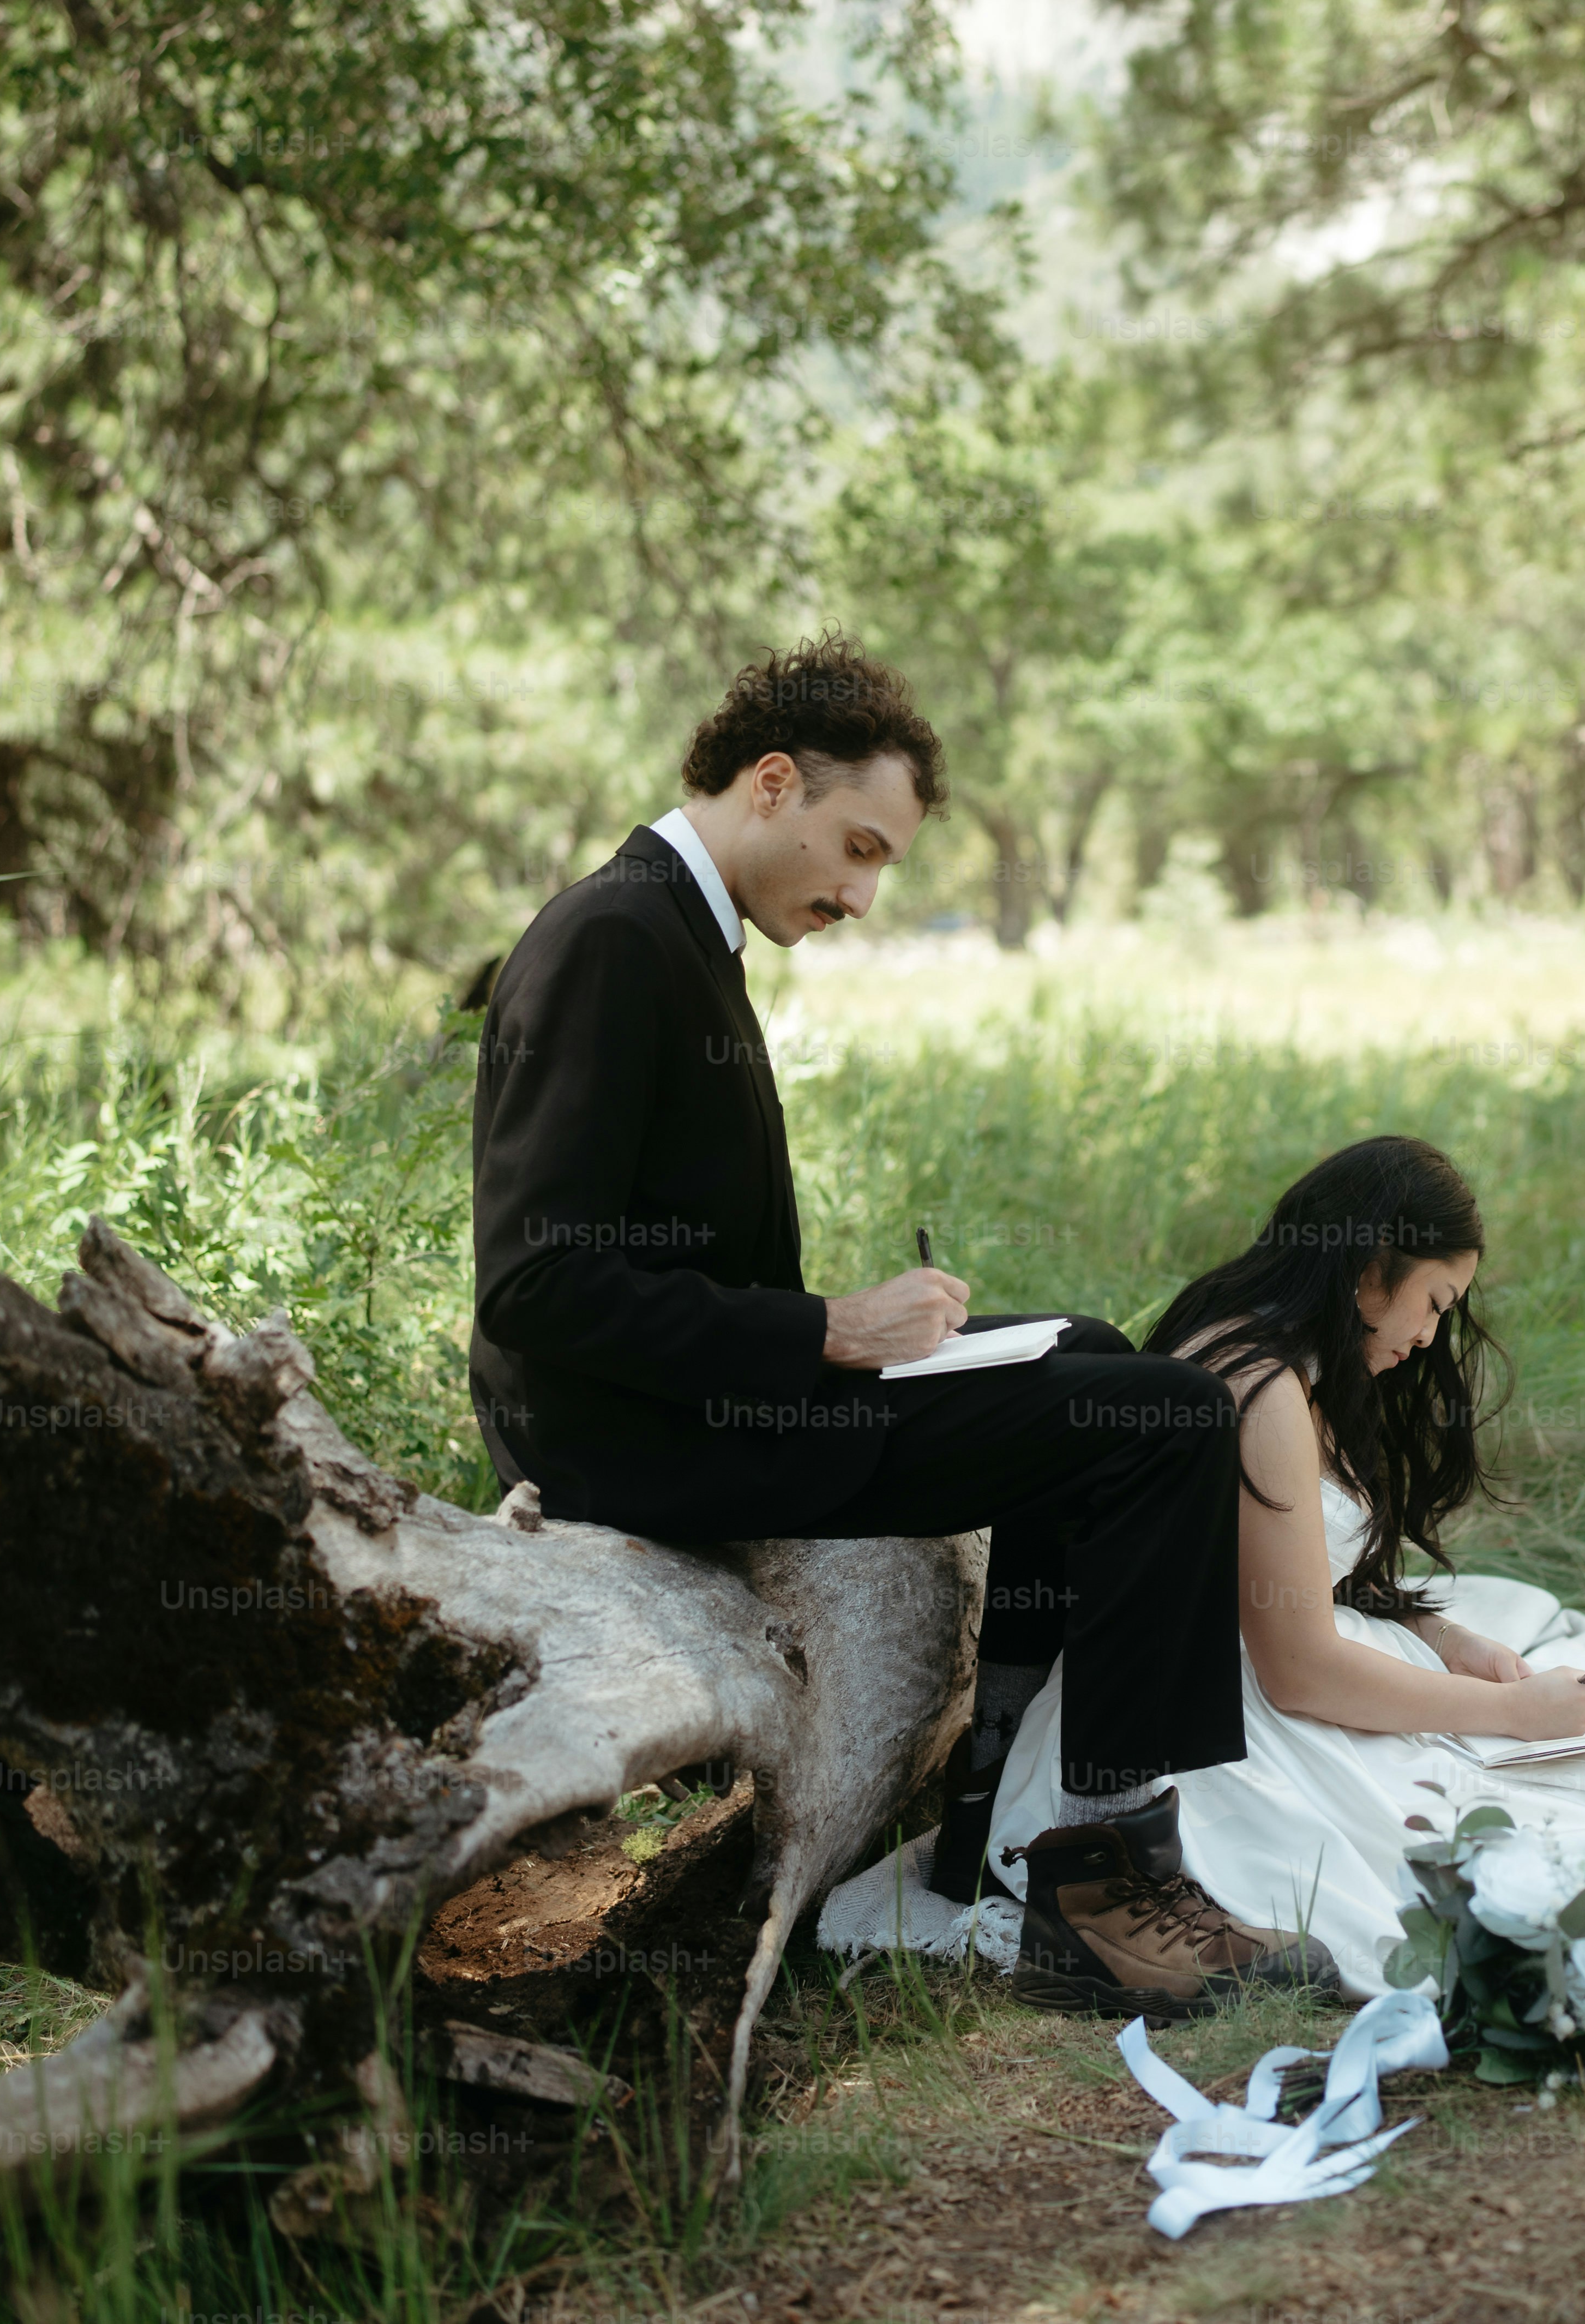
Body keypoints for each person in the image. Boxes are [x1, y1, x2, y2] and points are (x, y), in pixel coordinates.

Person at [466, 633, 1336, 2020]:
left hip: (704, 1399)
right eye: (856, 848)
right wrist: (823, 1330)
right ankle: (1103, 1884)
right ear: (769, 782)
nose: (866, 894)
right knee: (1166, 1414)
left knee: (1097, 1352)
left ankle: (997, 1802)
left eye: (885, 866)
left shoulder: (679, 928)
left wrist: (847, 1331)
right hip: (645, 1441)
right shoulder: (613, 938)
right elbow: (532, 1286)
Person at [826, 1136, 1585, 1995]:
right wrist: (1517, 1716)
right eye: (1433, 1303)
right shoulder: (1258, 1388)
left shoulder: (1265, 1344)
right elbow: (1303, 1668)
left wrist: (1434, 1629)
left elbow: (1300, 1571)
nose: (1427, 1337)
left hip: (1247, 1679)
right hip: (1235, 1735)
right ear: (1371, 1268)